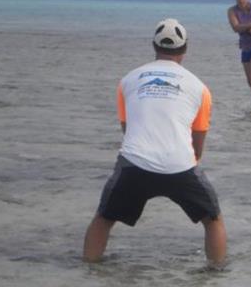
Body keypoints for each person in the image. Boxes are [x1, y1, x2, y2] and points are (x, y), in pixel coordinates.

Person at [83, 18, 227, 266]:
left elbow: (128, 129)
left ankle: (87, 271)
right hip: (180, 164)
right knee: (212, 220)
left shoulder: (129, 79)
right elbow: (198, 138)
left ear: (154, 45)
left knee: (104, 218)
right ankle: (216, 277)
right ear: (185, 49)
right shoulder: (199, 87)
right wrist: (188, 162)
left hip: (135, 161)